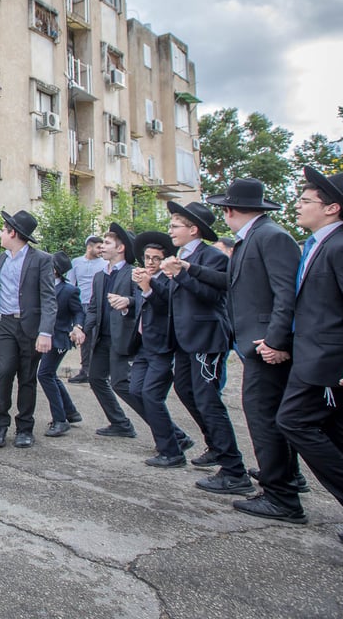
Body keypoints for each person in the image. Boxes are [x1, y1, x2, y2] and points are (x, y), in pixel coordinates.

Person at [277, 167, 343, 568]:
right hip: (318, 359)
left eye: (306, 200)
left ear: (333, 208)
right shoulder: (320, 244)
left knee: (295, 423)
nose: (299, 205)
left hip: (333, 366)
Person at [202, 178, 305, 523]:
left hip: (266, 345)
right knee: (270, 417)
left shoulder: (271, 237)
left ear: (229, 211)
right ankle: (285, 481)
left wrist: (277, 340)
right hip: (256, 342)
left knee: (263, 417)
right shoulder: (253, 238)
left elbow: (286, 294)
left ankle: (281, 496)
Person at [160, 201, 251, 495]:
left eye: (175, 226)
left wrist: (182, 273)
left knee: (208, 399)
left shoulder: (212, 257)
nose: (170, 231)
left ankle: (234, 470)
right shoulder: (180, 256)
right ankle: (214, 444)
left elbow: (214, 296)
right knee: (185, 390)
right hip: (185, 339)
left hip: (206, 338)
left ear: (193, 229)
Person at [0, 210, 56, 449]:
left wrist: (46, 332)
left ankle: (24, 428)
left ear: (13, 233)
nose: (0, 234)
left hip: (30, 327)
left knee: (27, 378)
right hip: (6, 325)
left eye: (3, 230)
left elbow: (49, 298)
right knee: (4, 373)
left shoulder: (41, 259)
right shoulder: (2, 258)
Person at [129, 231, 194, 468]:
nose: (150, 262)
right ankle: (176, 435)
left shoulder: (168, 279)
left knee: (152, 396)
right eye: (147, 257)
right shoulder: (144, 277)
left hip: (164, 346)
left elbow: (166, 303)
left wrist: (148, 287)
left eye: (156, 258)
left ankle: (171, 451)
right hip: (144, 346)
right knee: (135, 391)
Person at [83, 223, 140, 440]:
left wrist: (128, 301)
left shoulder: (132, 273)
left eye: (106, 243)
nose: (101, 246)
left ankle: (168, 431)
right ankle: (120, 423)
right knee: (96, 378)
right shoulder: (100, 276)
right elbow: (93, 308)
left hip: (122, 338)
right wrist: (82, 330)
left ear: (121, 248)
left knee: (121, 384)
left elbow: (143, 299)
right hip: (101, 338)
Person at [40, 252, 83, 437]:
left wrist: (78, 327)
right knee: (51, 375)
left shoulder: (69, 290)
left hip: (59, 338)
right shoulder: (42, 287)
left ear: (55, 271)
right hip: (45, 336)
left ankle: (60, 419)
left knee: (44, 375)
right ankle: (71, 412)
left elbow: (78, 312)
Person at [66, 235, 105, 382]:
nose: (101, 250)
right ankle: (85, 370)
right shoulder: (76, 262)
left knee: (97, 338)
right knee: (83, 338)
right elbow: (70, 283)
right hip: (81, 303)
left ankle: (96, 372)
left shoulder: (104, 263)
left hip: (97, 305)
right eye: (98, 247)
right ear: (89, 247)